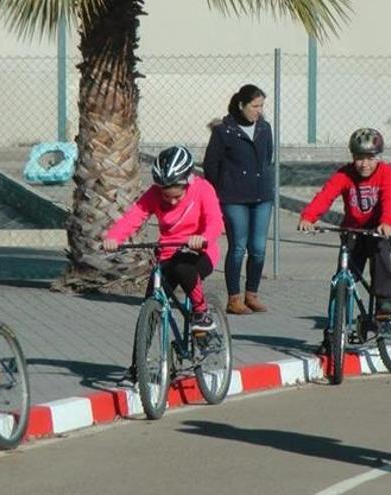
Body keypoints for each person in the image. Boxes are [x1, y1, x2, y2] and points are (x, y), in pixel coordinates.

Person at [103, 145, 225, 362]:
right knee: (148, 310)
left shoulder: (203, 189)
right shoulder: (153, 195)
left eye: (177, 196)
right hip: (167, 252)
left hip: (200, 251)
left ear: (188, 181)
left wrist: (203, 237)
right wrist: (113, 238)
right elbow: (134, 217)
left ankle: (201, 313)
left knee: (184, 268)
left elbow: (215, 221)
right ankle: (135, 369)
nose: (171, 201)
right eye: (166, 196)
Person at [297, 128, 391, 331]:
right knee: (342, 279)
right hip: (354, 230)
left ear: (377, 157)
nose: (365, 164)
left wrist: (387, 222)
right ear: (352, 157)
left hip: (385, 228)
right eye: (359, 158)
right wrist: (308, 217)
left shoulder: (386, 172)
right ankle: (333, 331)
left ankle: (384, 300)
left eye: (370, 158)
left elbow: (390, 199)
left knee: (379, 249)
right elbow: (326, 196)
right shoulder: (345, 174)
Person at [202, 84, 274, 315]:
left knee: (259, 248)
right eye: (255, 106)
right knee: (238, 247)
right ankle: (234, 298)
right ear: (242, 105)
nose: (259, 111)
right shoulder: (224, 131)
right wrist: (218, 192)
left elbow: (267, 158)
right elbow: (211, 165)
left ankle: (251, 294)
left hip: (262, 196)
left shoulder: (264, 128)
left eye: (261, 106)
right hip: (234, 197)